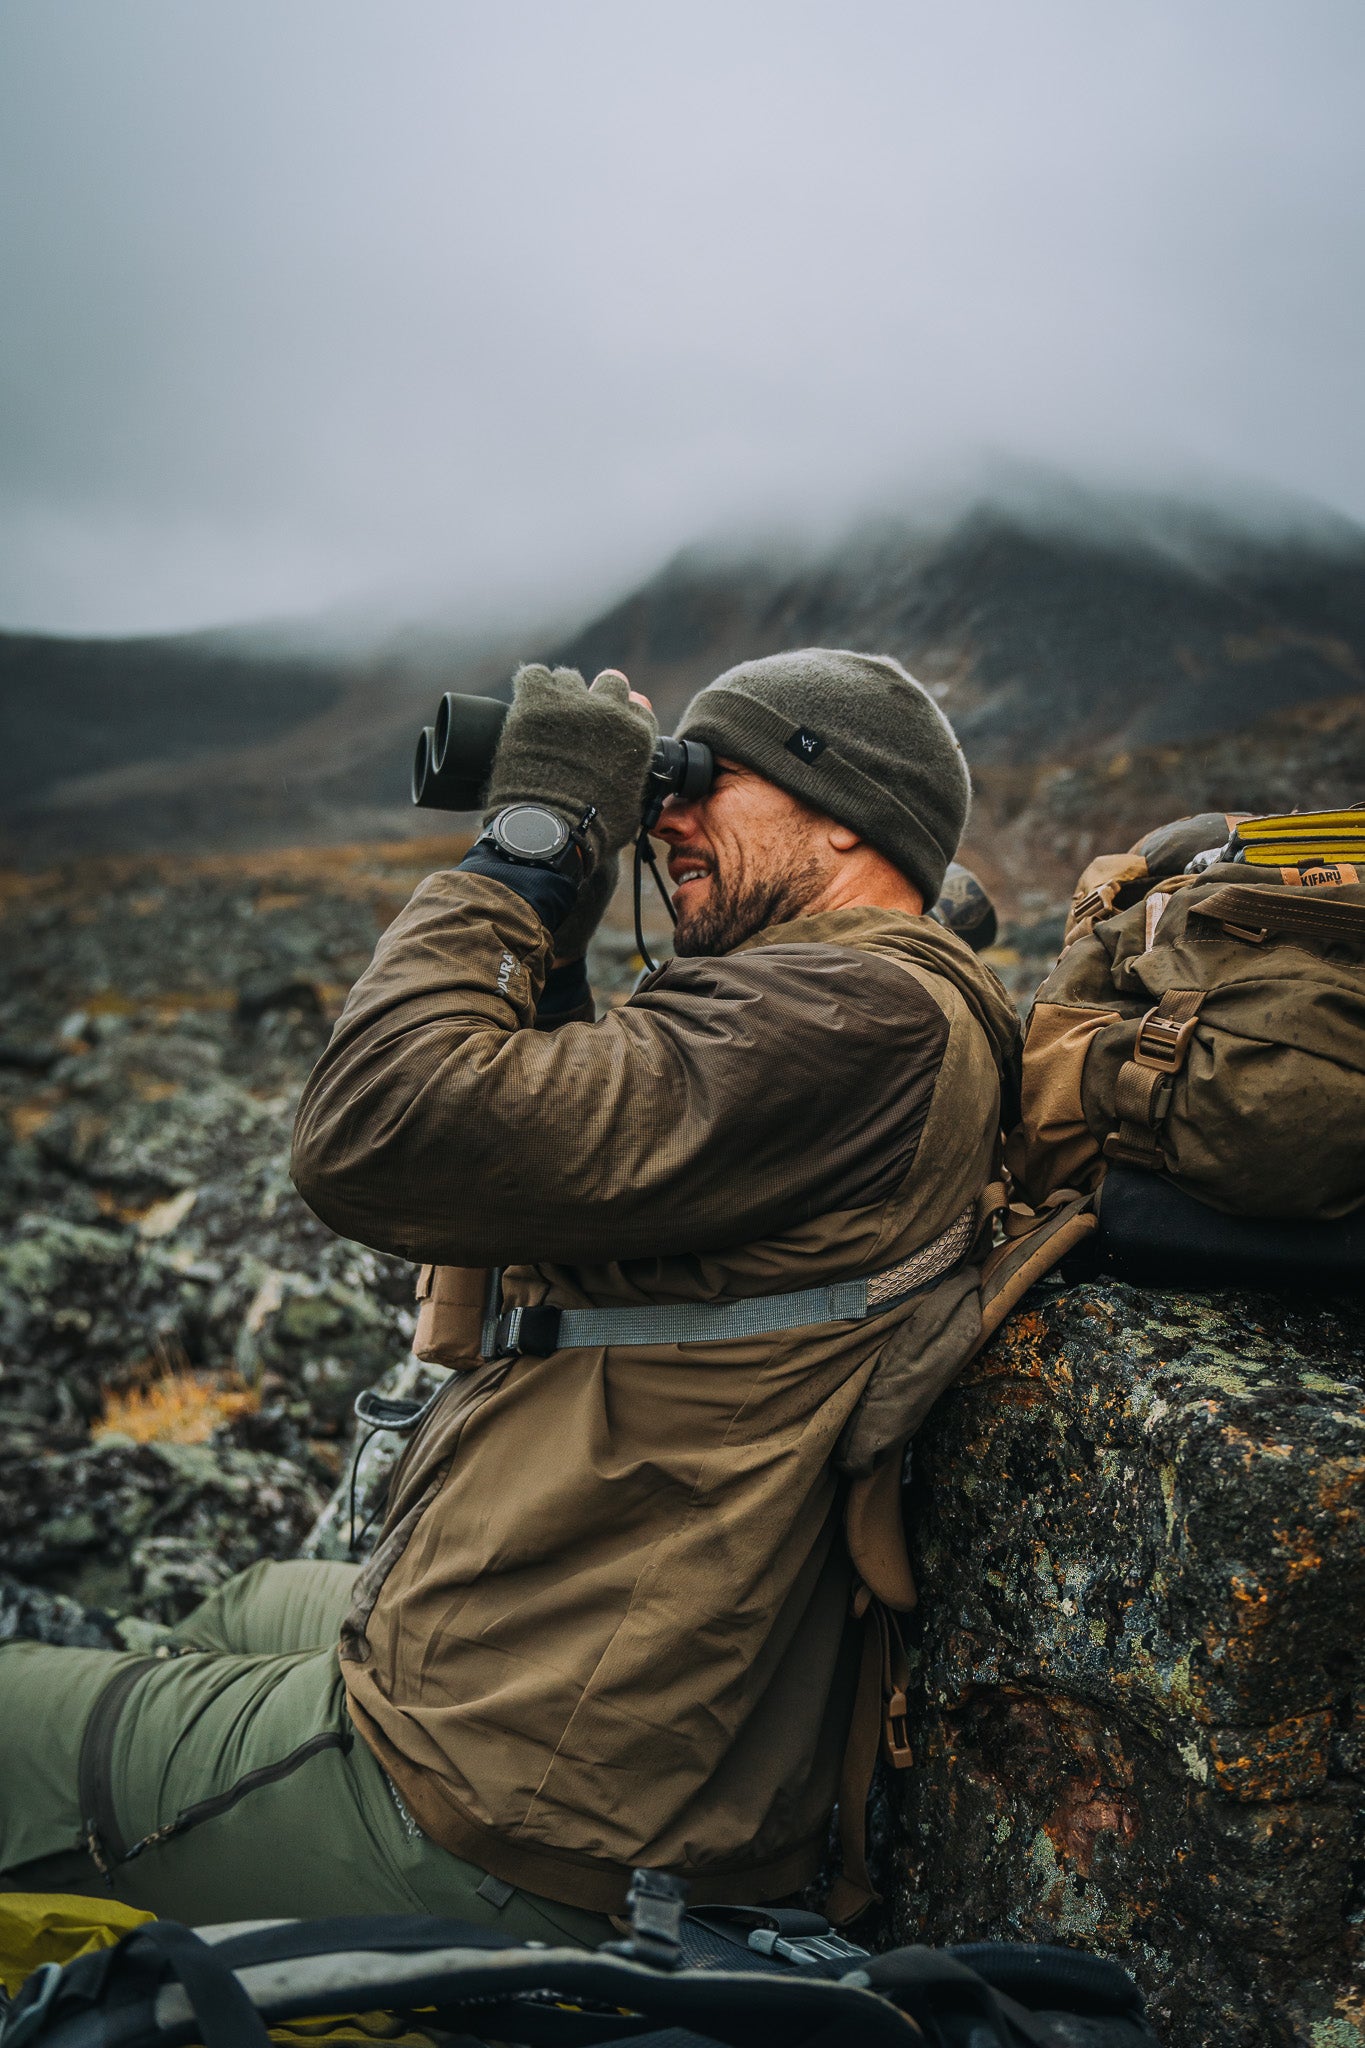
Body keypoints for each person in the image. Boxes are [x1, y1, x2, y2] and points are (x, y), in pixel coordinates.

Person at [0, 649, 1019, 1935]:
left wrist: (532, 843)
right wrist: (572, 920)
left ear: (847, 812)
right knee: (238, 1603)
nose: (667, 815)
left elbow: (378, 1130)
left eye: (709, 780)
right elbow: (570, 1151)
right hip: (562, 1646)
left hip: (507, 1803)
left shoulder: (853, 1012)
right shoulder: (838, 1003)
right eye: (665, 784)